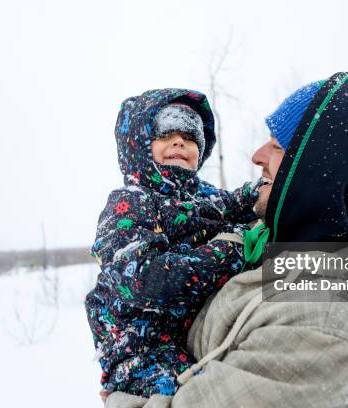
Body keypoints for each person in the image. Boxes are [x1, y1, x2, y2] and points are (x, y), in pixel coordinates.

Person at [101, 72, 348, 407]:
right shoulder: (268, 244)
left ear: (320, 170)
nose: (256, 155)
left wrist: (116, 400)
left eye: (276, 145)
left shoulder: (329, 330)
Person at [84, 89, 263, 399]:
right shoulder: (130, 203)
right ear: (139, 146)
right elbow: (143, 280)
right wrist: (231, 249)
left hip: (186, 333)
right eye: (166, 134)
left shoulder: (204, 197)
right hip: (139, 346)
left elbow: (235, 203)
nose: (180, 142)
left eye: (190, 137)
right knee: (193, 392)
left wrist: (263, 192)